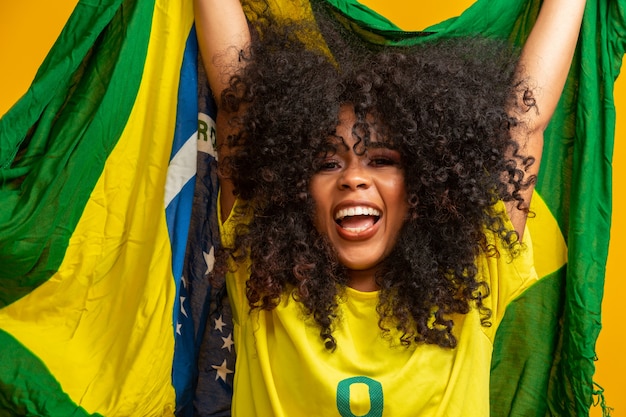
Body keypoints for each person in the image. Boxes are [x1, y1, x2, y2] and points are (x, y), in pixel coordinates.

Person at [193, 0, 586, 415]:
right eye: (327, 163)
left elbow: (524, 120)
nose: (353, 177)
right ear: (296, 187)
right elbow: (239, 102)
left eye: (381, 160)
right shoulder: (264, 280)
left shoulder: (471, 284)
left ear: (421, 187)